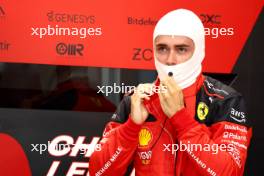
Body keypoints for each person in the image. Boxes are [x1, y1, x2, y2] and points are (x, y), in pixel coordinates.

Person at [89, 9, 252, 176]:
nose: (170, 59)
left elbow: (229, 173)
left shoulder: (225, 101)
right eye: (162, 49)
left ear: (199, 50)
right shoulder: (136, 101)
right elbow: (98, 172)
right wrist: (132, 126)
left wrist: (181, 118)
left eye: (181, 49)